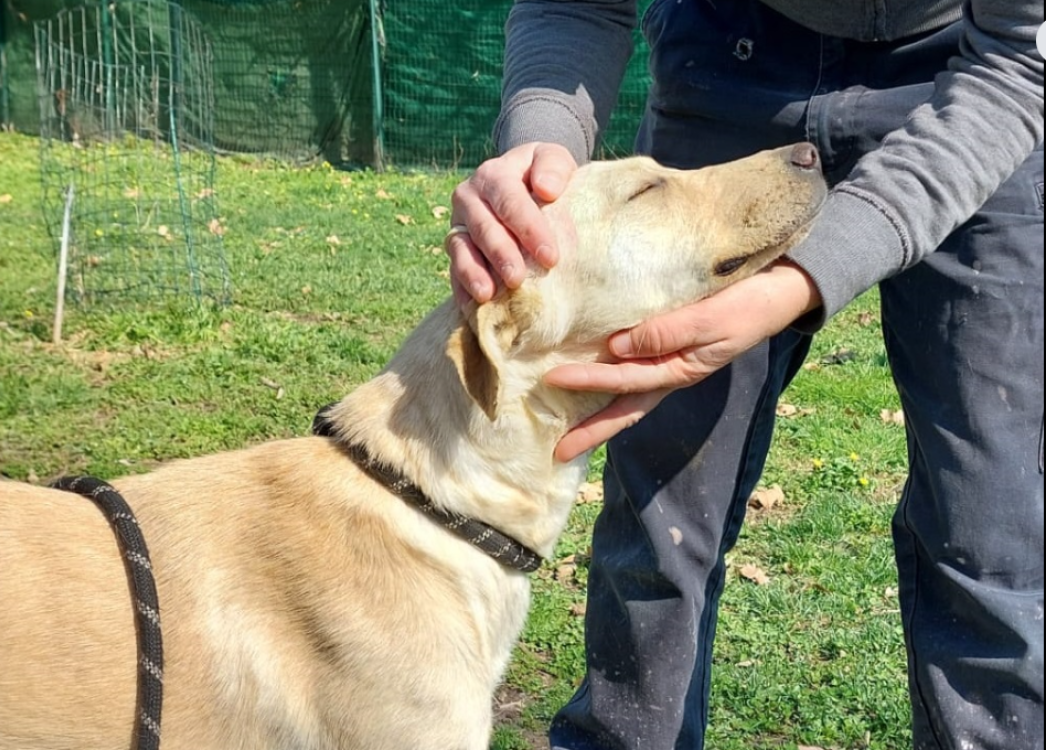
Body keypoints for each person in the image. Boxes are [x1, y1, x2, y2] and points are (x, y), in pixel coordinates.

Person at [446, 1, 1044, 748]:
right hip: (730, 53)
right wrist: (539, 166)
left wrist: (803, 279)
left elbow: (1022, 58)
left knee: (991, 540)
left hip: (975, 77)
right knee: (660, 524)